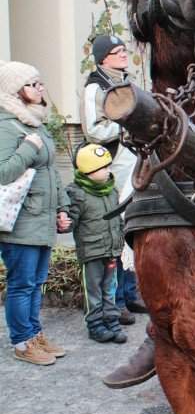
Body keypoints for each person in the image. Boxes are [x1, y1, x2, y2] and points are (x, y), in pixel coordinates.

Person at [0, 61, 70, 366]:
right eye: (32, 84)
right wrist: (28, 148)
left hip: (41, 215)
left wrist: (62, 207)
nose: (40, 88)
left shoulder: (35, 122)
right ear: (15, 89)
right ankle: (22, 342)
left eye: (40, 83)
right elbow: (3, 172)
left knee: (37, 280)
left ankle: (34, 334)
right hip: (20, 219)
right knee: (22, 282)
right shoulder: (6, 124)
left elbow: (52, 171)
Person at [81, 34, 145, 323]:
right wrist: (125, 128)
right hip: (112, 166)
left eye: (123, 50)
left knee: (131, 226)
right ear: (103, 58)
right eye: (117, 52)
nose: (123, 55)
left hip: (131, 163)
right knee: (115, 232)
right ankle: (115, 301)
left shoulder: (124, 82)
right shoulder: (95, 87)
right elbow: (94, 131)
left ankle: (131, 294)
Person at [66, 143, 127, 344]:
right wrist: (64, 222)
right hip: (92, 252)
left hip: (111, 250)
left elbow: (117, 219)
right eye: (104, 167)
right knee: (94, 291)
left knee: (110, 288)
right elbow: (70, 221)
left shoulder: (111, 190)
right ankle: (95, 324)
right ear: (88, 170)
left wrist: (121, 239)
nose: (108, 170)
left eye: (108, 166)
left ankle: (112, 320)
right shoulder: (77, 193)